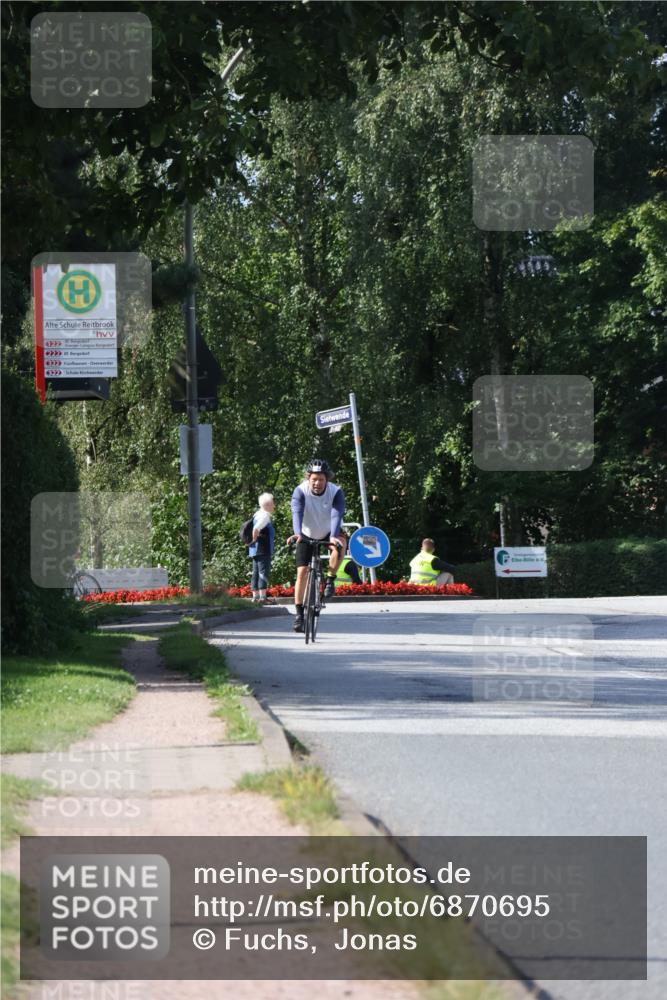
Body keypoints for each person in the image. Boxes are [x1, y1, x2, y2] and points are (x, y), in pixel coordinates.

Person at [289, 459, 346, 632]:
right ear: (308, 478)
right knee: (301, 573)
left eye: (321, 479)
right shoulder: (300, 491)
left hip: (330, 530)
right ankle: (299, 615)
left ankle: (330, 579)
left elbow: (337, 515)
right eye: (314, 479)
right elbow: (296, 512)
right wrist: (297, 533)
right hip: (306, 532)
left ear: (326, 479)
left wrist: (335, 536)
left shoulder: (335, 492)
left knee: (341, 545)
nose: (317, 483)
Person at [249, 492, 276, 604]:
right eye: (273, 503)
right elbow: (256, 529)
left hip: (254, 549)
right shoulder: (265, 515)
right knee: (263, 572)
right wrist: (255, 539)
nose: (274, 505)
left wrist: (252, 542)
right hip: (262, 548)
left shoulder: (256, 514)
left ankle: (255, 597)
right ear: (268, 504)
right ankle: (262, 598)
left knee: (255, 572)